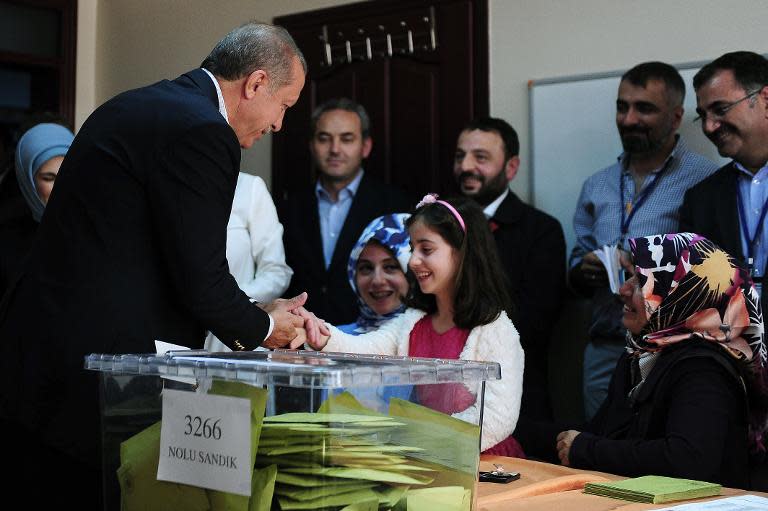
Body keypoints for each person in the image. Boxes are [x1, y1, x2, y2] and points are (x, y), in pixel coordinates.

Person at [0, 22, 325, 502]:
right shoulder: (203, 131)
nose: (279, 124)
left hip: (39, 365)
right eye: (285, 105)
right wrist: (263, 326)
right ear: (255, 84)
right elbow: (201, 280)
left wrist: (263, 312)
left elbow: (152, 256)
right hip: (90, 387)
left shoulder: (133, 104)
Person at [525, 233, 768, 489]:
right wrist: (510, 433)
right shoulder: (643, 353)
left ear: (683, 295)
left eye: (641, 283)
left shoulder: (704, 370)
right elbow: (597, 435)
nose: (623, 290)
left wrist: (587, 449)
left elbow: (689, 461)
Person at [303, 195, 525, 454]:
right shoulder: (413, 322)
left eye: (426, 249)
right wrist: (321, 334)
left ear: (462, 252)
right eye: (412, 248)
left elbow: (498, 420)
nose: (412, 260)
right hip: (427, 458)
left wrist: (418, 440)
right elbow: (363, 348)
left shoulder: (494, 328)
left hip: (486, 467)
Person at [570, 61, 718, 419]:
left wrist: (644, 266)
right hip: (606, 344)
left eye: (644, 108)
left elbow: (712, 271)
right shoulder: (597, 185)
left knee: (659, 456)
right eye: (622, 107)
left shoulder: (705, 180)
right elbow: (575, 261)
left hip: (674, 348)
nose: (629, 119)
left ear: (676, 115)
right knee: (598, 455)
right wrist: (584, 268)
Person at [454, 117, 565, 420]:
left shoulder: (541, 231)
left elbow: (533, 322)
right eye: (460, 156)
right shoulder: (439, 223)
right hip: (444, 390)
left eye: (481, 157)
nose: (466, 166)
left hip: (513, 394)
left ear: (511, 167)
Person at [280, 98, 411, 325]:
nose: (335, 149)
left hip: (370, 335)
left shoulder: (395, 204)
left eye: (346, 139)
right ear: (312, 145)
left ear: (366, 146)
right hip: (300, 335)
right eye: (324, 138)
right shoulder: (288, 206)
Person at [680, 51, 768, 322]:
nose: (709, 126)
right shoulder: (701, 198)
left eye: (720, 109)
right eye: (702, 115)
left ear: (765, 99)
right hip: (733, 354)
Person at [205, 172, 293, 352]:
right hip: (175, 338)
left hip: (234, 343)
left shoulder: (249, 187)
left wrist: (229, 304)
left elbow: (276, 272)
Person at [0, 122, 73, 298]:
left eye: (69, 174)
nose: (61, 187)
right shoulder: (6, 242)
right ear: (28, 180)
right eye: (49, 178)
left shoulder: (93, 229)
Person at [338, 212, 411, 334]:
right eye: (366, 268)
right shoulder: (331, 341)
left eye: (390, 267)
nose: (377, 280)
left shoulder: (435, 339)